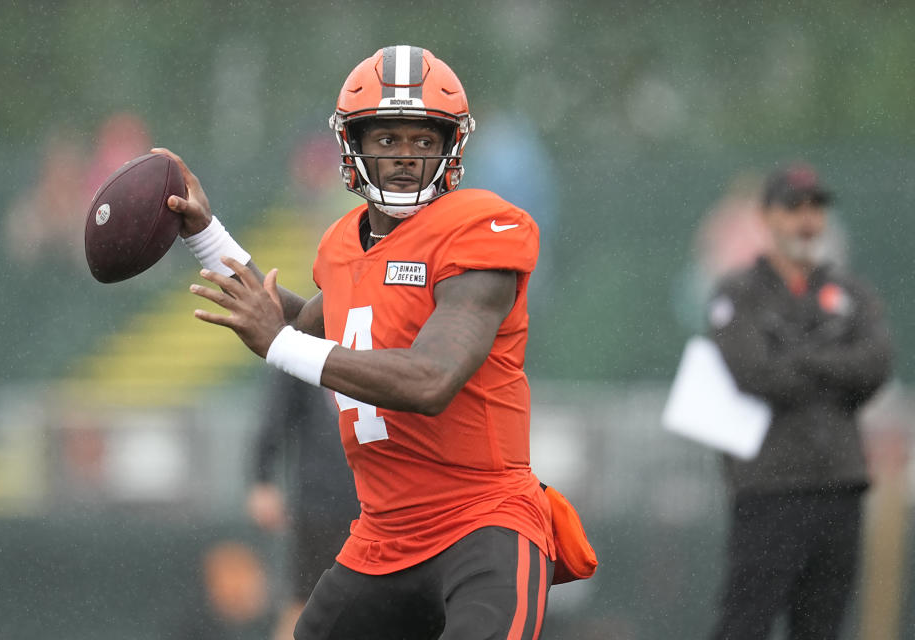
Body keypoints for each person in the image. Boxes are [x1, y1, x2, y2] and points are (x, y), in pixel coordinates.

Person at [152, 46, 595, 639]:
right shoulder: (343, 245)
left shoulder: (482, 228)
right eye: (386, 140)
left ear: (451, 146)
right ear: (353, 147)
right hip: (382, 538)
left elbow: (430, 380)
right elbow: (296, 321)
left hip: (481, 524)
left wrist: (278, 346)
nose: (406, 157)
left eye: (423, 139)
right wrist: (206, 234)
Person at [705, 163, 893, 640]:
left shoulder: (851, 293)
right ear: (767, 216)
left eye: (815, 208)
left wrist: (798, 356)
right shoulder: (739, 292)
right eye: (793, 208)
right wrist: (832, 358)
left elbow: (875, 366)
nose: (807, 220)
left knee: (822, 627)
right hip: (769, 489)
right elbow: (756, 373)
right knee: (745, 624)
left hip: (839, 486)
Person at [247, 369, 358, 639]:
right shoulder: (309, 338)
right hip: (323, 504)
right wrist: (263, 479)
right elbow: (276, 413)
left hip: (380, 503)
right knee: (304, 602)